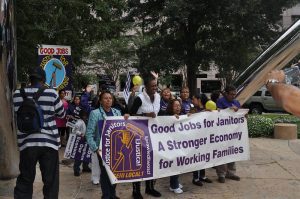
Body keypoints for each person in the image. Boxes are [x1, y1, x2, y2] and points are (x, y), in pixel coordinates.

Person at [13, 67, 65, 199]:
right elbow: (61, 114)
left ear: (30, 79)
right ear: (43, 79)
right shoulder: (51, 93)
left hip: (27, 143)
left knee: (25, 179)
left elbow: (15, 114)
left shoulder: (17, 94)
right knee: (50, 181)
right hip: (49, 143)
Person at [86, 90, 128, 199]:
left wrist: (126, 118)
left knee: (115, 173)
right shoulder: (95, 113)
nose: (108, 100)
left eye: (110, 98)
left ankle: (112, 194)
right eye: (105, 98)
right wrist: (95, 149)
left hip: (116, 149)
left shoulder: (117, 112)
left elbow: (122, 128)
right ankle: (106, 195)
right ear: (100, 101)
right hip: (102, 149)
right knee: (105, 173)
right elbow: (89, 133)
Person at [129, 73, 161, 199]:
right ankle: (136, 191)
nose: (155, 88)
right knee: (138, 162)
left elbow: (161, 112)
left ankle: (150, 188)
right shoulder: (140, 98)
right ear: (146, 87)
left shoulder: (158, 97)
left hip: (153, 134)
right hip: (139, 134)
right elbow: (130, 113)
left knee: (151, 162)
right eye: (152, 86)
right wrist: (145, 114)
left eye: (156, 86)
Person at [215, 85, 241, 183]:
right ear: (226, 93)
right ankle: (221, 174)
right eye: (231, 94)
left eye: (235, 94)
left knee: (232, 152)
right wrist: (230, 109)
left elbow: (241, 115)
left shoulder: (236, 102)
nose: (233, 96)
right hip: (222, 133)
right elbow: (218, 114)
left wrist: (243, 114)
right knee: (222, 153)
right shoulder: (220, 101)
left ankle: (231, 173)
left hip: (233, 133)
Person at [190, 93, 213, 186]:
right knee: (196, 157)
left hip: (205, 137)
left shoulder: (208, 108)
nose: (192, 101)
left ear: (199, 100)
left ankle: (202, 176)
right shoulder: (193, 109)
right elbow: (192, 117)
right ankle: (195, 178)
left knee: (203, 156)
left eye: (194, 99)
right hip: (196, 138)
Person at [165, 99, 184, 194]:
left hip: (179, 145)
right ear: (171, 107)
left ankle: (174, 183)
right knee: (175, 165)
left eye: (179, 105)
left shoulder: (182, 116)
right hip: (171, 146)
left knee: (178, 165)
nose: (178, 107)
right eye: (176, 106)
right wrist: (172, 119)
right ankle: (174, 185)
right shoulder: (167, 117)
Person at [72, 109, 91, 177]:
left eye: (85, 115)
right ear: (81, 116)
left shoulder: (86, 120)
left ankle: (85, 167)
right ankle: (76, 169)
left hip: (86, 140)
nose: (85, 116)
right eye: (83, 115)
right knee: (79, 155)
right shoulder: (79, 122)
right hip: (80, 141)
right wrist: (81, 134)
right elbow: (74, 130)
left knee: (86, 154)